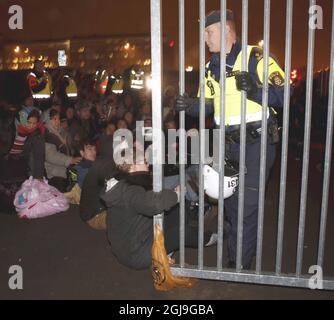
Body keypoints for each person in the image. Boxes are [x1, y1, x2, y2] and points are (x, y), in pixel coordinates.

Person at [175, 9, 286, 269]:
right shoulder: (210, 67)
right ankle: (242, 253)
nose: (204, 38)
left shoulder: (254, 58)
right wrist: (190, 105)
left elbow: (284, 95)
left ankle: (239, 265)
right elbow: (209, 105)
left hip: (256, 143)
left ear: (226, 29)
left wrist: (257, 91)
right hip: (227, 144)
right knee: (233, 203)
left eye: (208, 32)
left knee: (246, 204)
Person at [100, 146, 215, 270]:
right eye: (143, 161)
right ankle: (212, 238)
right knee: (180, 233)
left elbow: (149, 201)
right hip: (137, 254)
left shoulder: (122, 184)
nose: (147, 164)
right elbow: (153, 204)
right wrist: (176, 195)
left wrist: (174, 196)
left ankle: (168, 246)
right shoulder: (131, 191)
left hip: (130, 245)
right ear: (132, 166)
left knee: (176, 207)